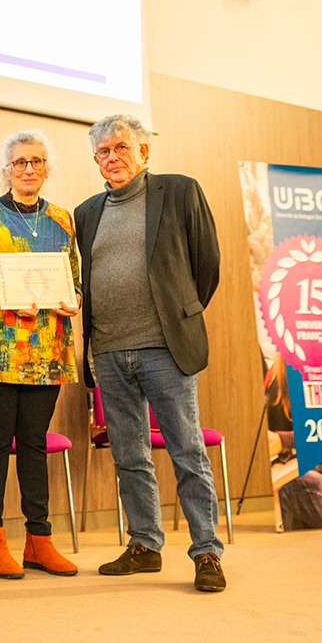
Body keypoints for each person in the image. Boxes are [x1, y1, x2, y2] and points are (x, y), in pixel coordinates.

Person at [74, 114, 226, 592]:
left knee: (187, 451)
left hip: (165, 349)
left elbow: (207, 265)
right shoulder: (85, 213)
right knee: (129, 455)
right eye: (103, 152)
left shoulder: (179, 191)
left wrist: (180, 315)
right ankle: (144, 544)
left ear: (143, 152)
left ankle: (206, 552)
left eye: (120, 148)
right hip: (109, 352)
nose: (112, 158)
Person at [0, 130, 80, 579]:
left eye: (37, 162)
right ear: (6, 170)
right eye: (20, 163)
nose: (29, 169)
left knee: (33, 444)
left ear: (47, 168)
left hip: (48, 351)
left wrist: (75, 301)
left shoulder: (63, 219)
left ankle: (39, 540)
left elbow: (75, 280)